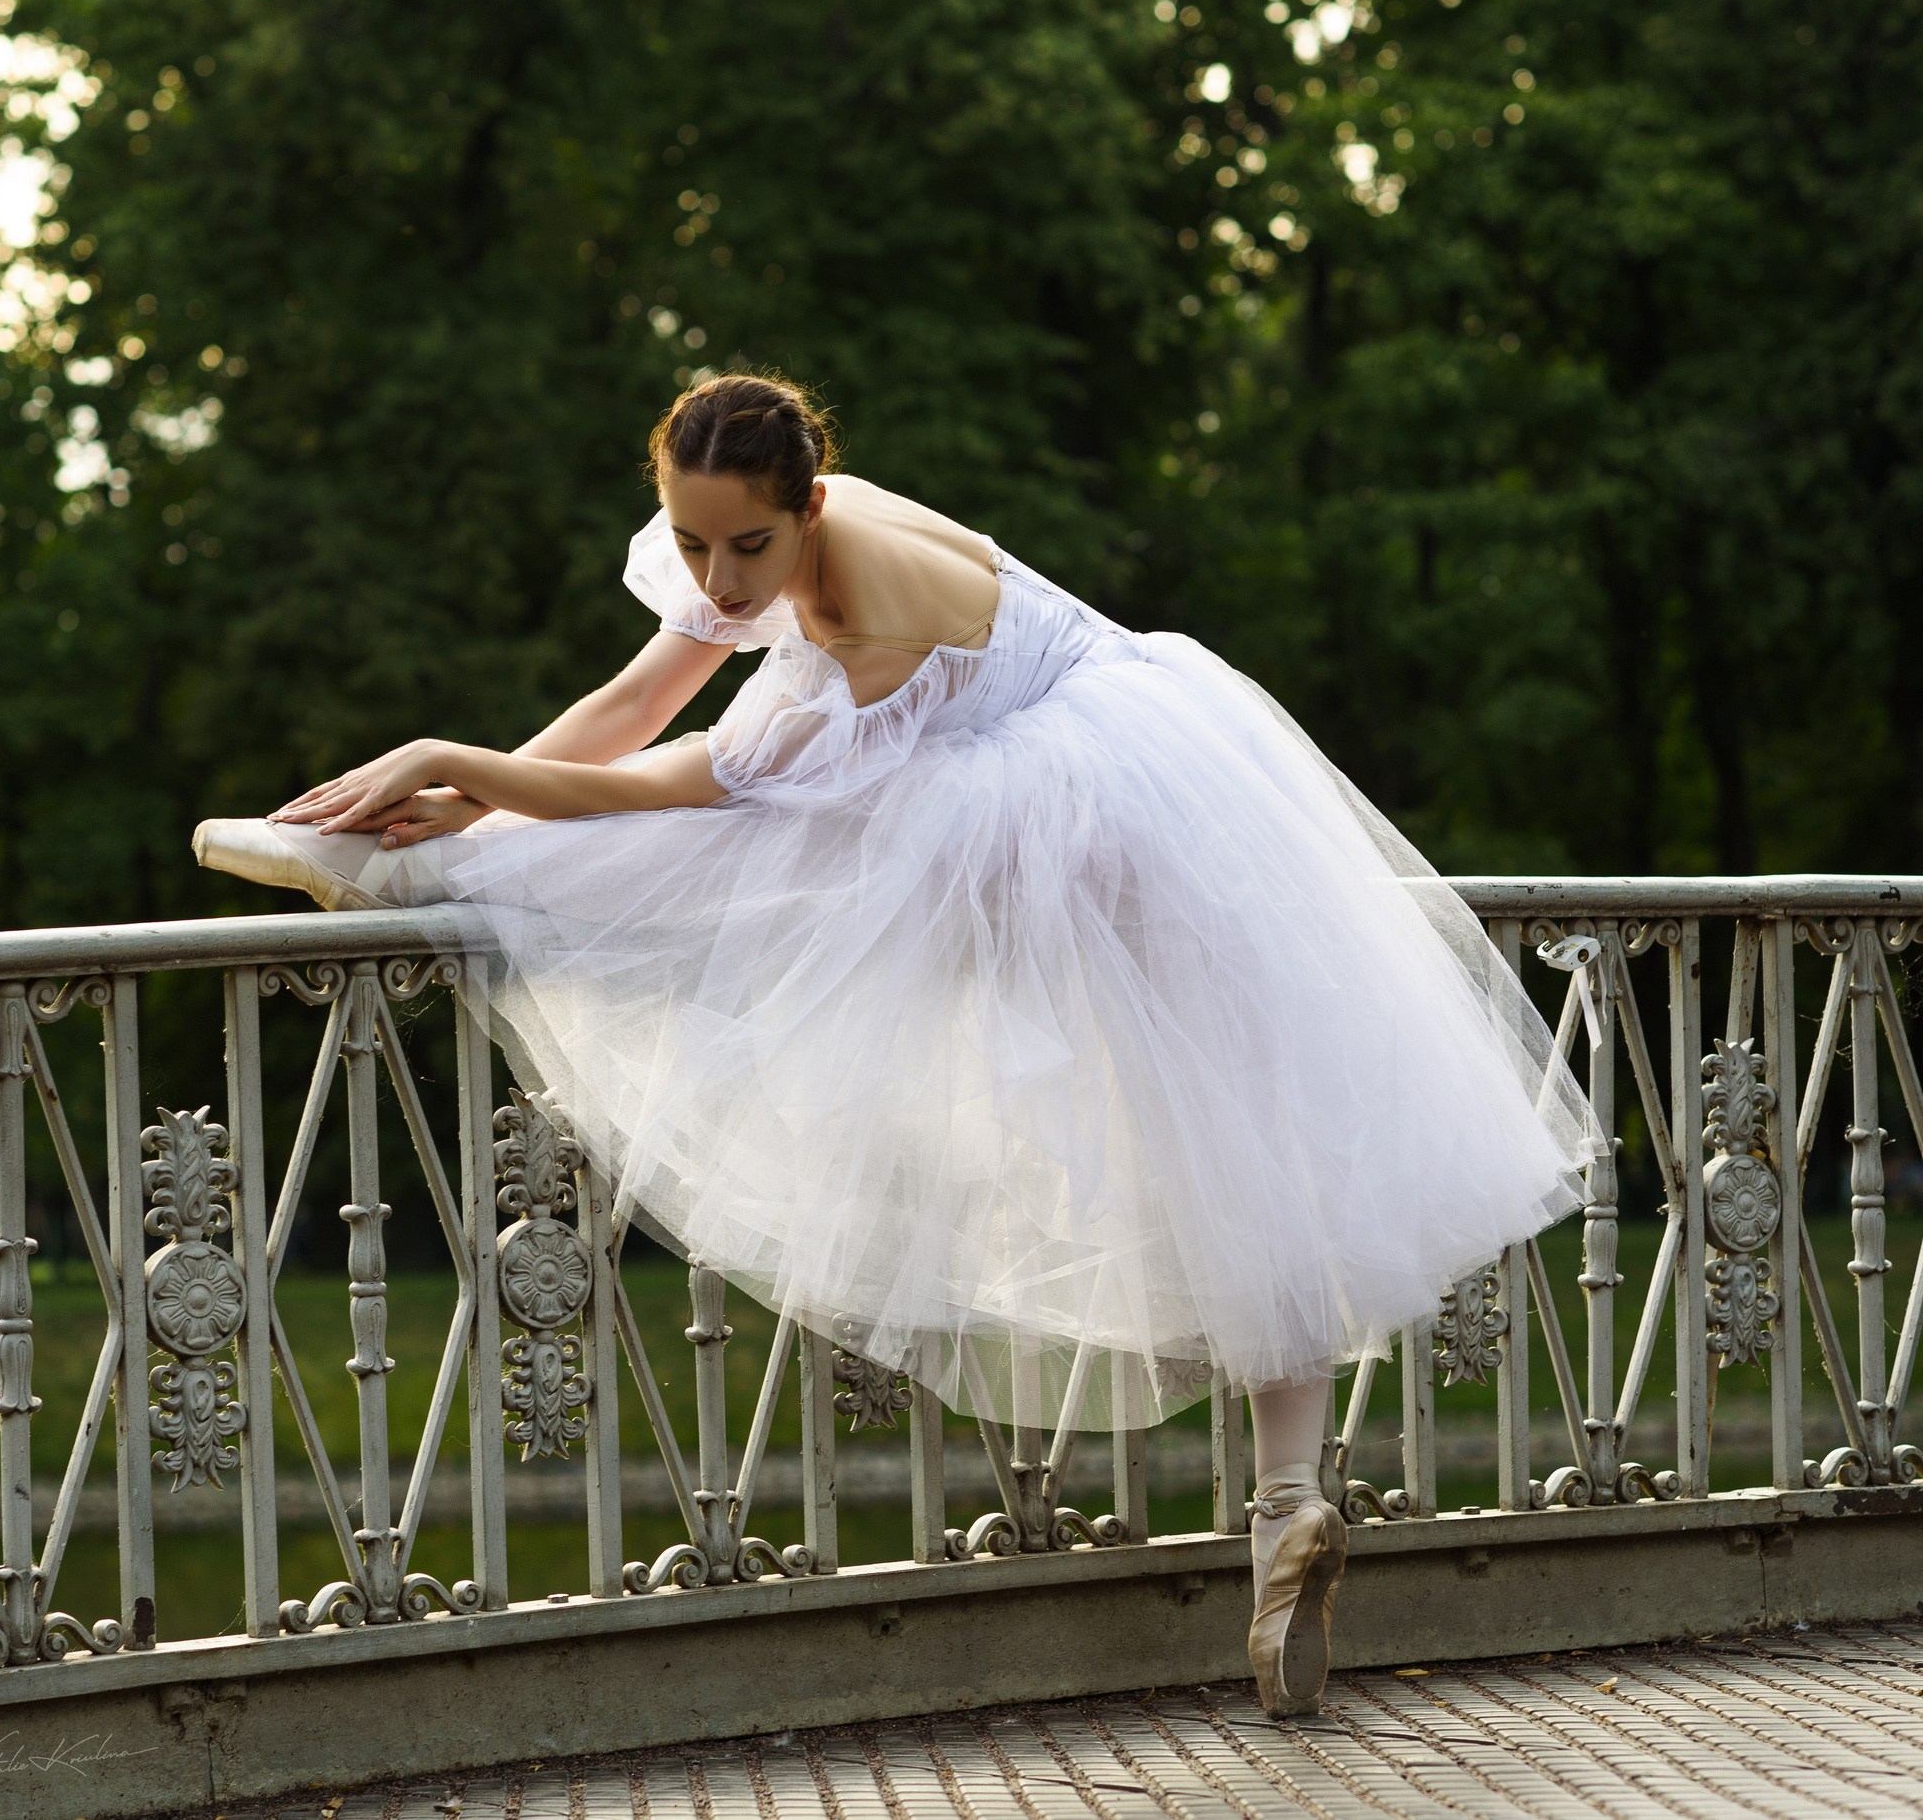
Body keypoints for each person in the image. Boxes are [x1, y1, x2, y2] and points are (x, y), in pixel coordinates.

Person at [192, 373, 1591, 1717]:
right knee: (1231, 1137)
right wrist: (456, 789)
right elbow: (632, 703)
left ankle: (424, 880)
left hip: (1085, 808)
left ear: (809, 506)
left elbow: (697, 774)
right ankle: (1289, 1506)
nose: (723, 578)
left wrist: (467, 773)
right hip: (1144, 763)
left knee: (737, 874)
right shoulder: (763, 531)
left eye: (750, 546)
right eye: (693, 542)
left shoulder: (859, 600)